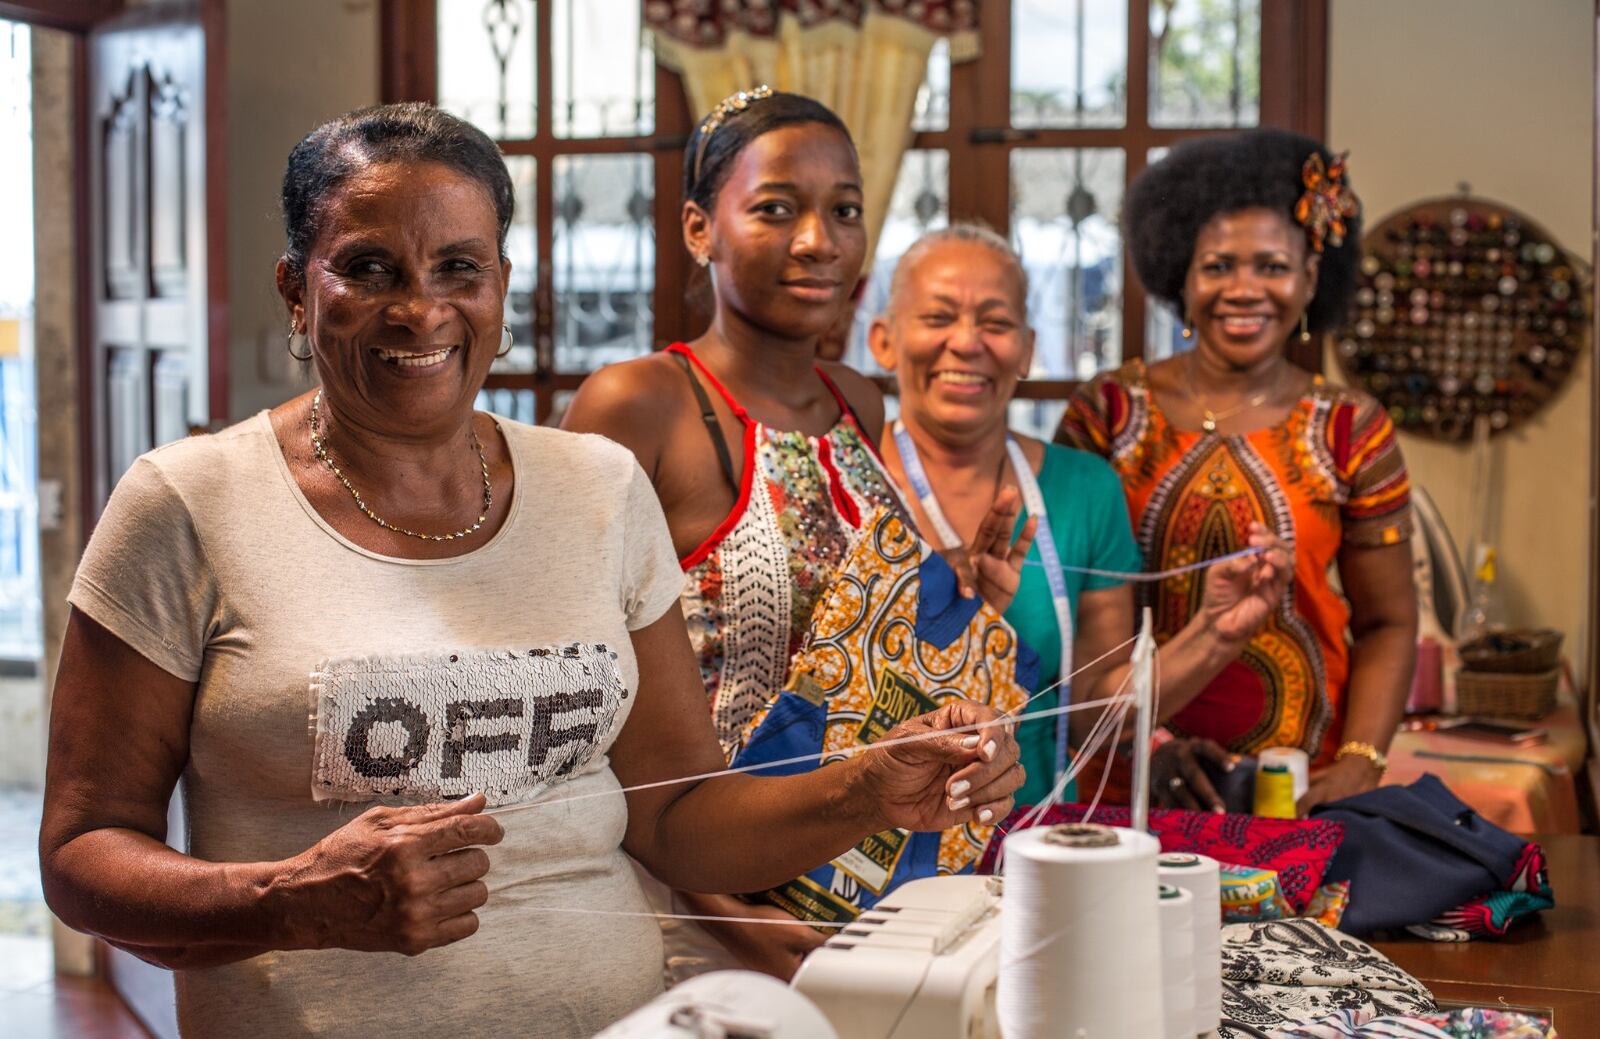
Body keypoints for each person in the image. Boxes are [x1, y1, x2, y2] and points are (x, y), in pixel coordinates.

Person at [36, 103, 1022, 1038]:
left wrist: (866, 789)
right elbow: (84, 854)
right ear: (298, 288)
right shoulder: (187, 503)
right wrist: (297, 899)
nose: (420, 309)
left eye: (457, 267)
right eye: (369, 267)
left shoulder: (596, 490)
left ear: (501, 286)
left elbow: (675, 819)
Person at [562, 90, 1033, 981]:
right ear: (700, 229)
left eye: (844, 210)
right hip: (687, 905)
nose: (820, 240)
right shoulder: (641, 404)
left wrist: (953, 596)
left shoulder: (857, 400)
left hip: (840, 876)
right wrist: (725, 915)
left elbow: (833, 642)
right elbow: (584, 706)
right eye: (776, 208)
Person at [868, 223, 1292, 809]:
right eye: (938, 318)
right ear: (883, 341)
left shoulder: (1083, 490)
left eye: (995, 322)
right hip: (864, 843)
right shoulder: (846, 480)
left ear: (1026, 349)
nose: (966, 343)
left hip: (1027, 839)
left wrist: (1217, 632)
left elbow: (1099, 711)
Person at [1057, 129, 1417, 813]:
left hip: (1298, 785)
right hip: (1124, 774)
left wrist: (1361, 765)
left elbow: (1389, 623)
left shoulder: (1351, 427)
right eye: (1218, 266)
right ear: (1181, 280)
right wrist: (1150, 744)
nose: (1244, 290)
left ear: (1311, 278)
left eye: (1272, 267)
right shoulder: (1106, 411)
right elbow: (1066, 611)